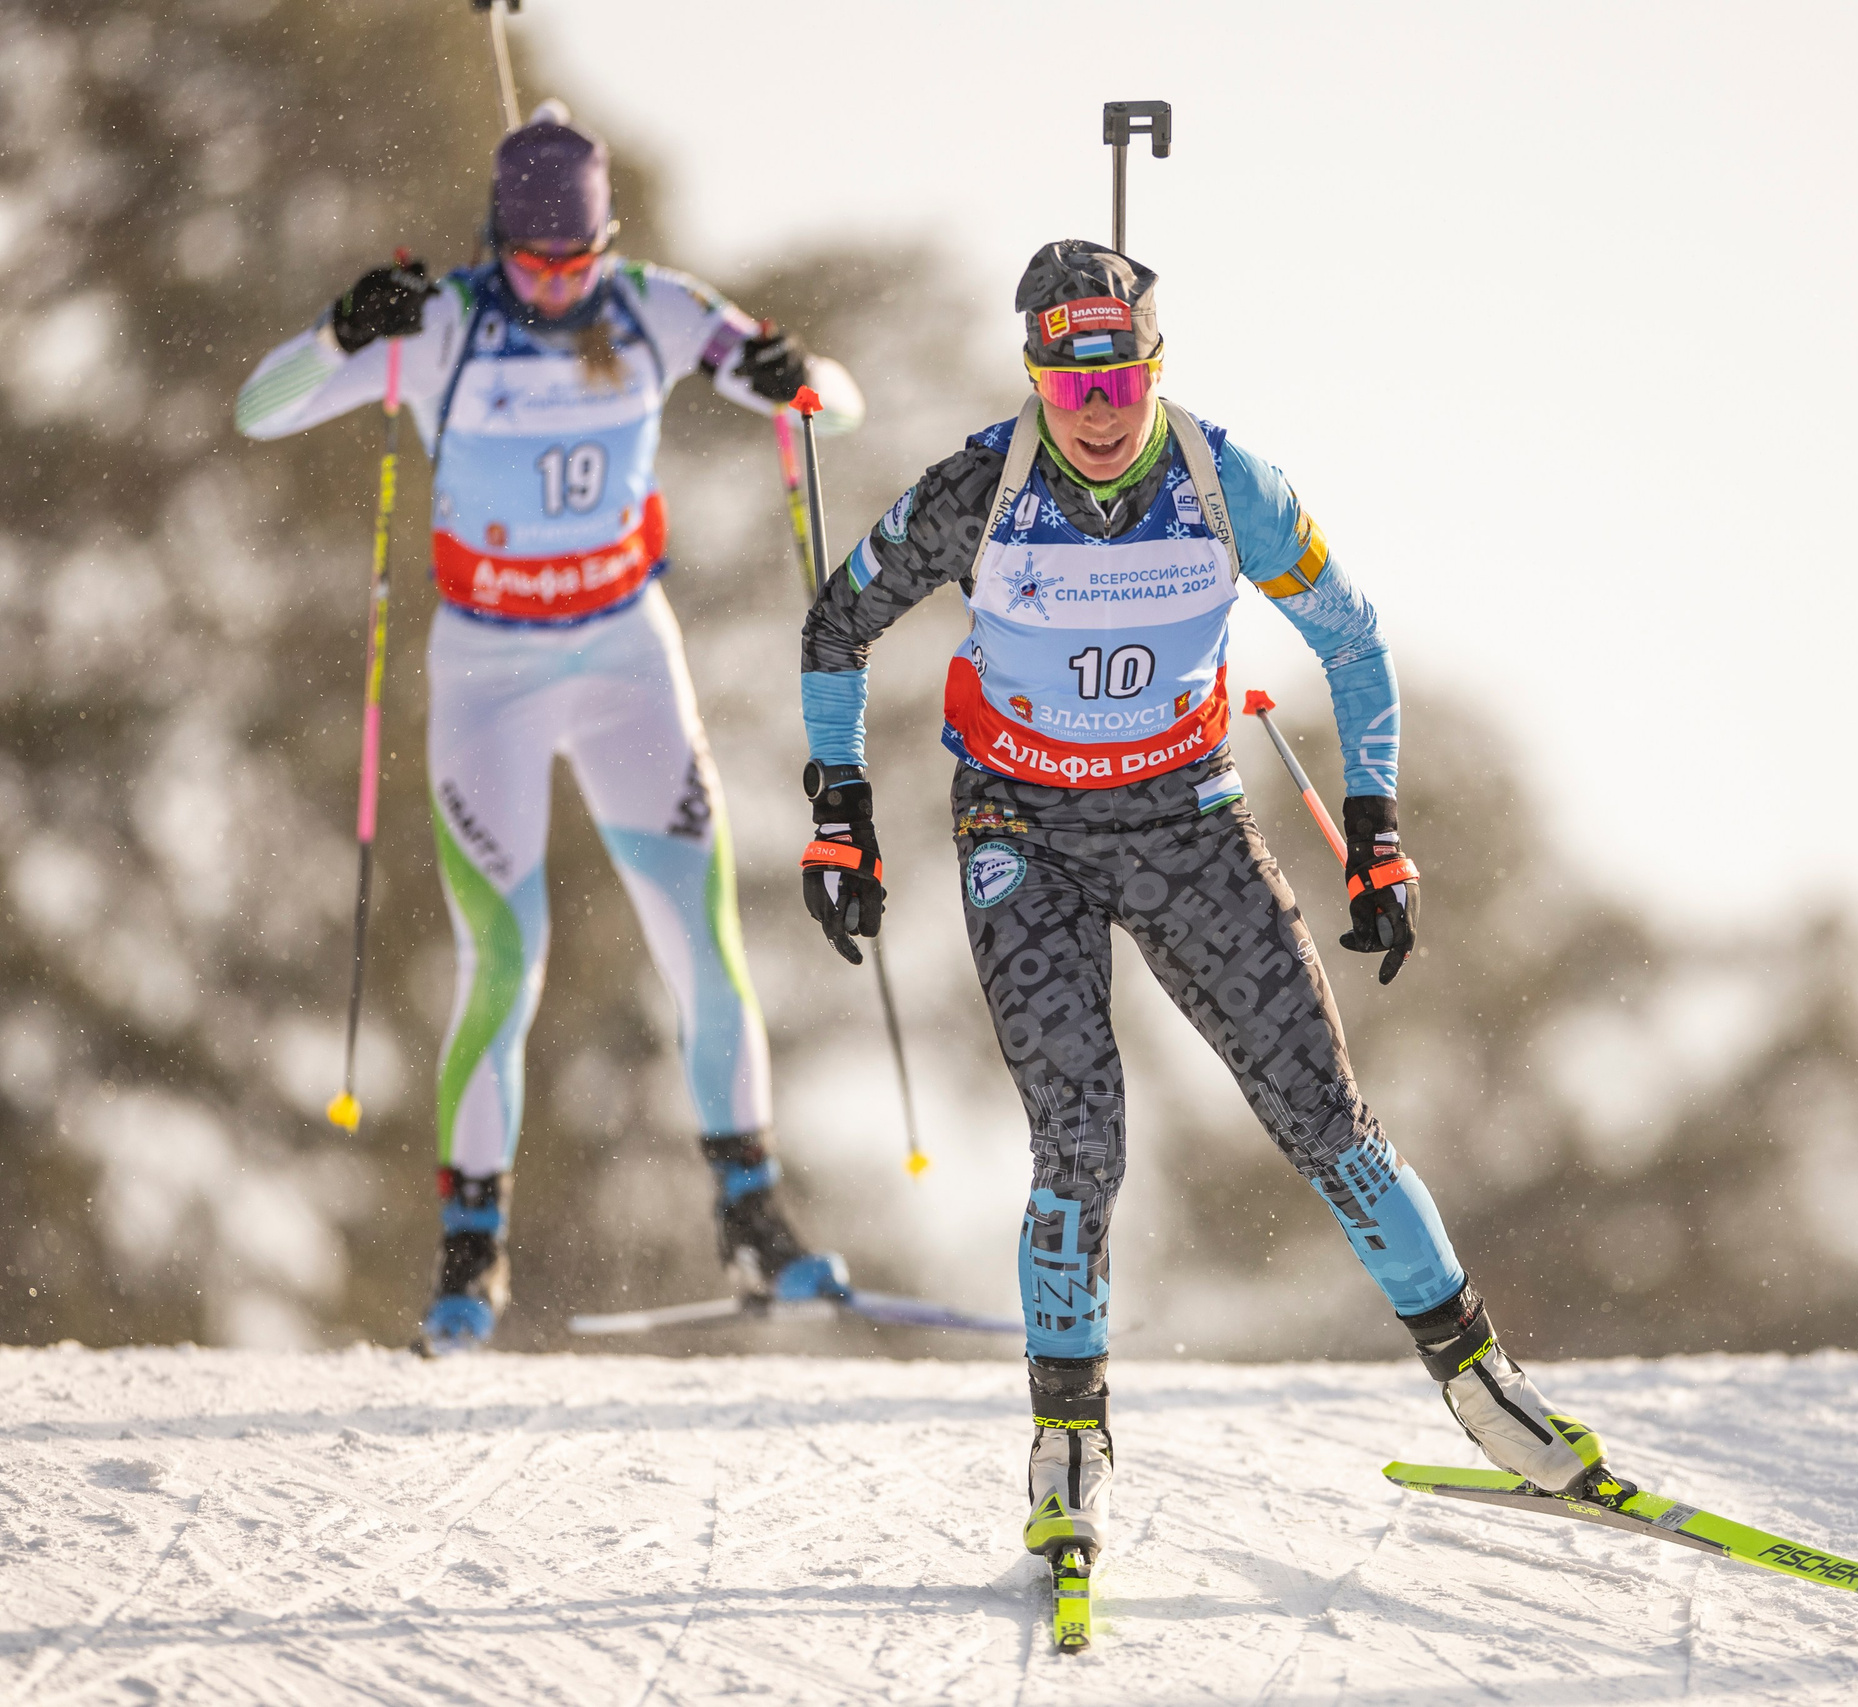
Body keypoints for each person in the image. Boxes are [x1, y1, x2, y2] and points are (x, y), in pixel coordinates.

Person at [796, 239, 1611, 1562]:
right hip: (1026, 833)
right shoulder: (974, 492)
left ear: (1155, 366)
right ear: (1034, 380)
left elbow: (1353, 637)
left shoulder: (1231, 486)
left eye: (1119, 376)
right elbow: (837, 623)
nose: (1098, 408)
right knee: (1083, 1143)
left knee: (1323, 1117)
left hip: (1188, 823)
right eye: (1070, 385)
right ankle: (1068, 1443)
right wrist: (840, 820)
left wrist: (1377, 828)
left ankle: (1482, 1384)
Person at [237, 102, 857, 1354]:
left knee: (703, 939)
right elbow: (261, 408)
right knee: (504, 957)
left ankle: (752, 1215)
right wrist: (340, 329)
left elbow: (831, 407)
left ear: (606, 242)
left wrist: (799, 379)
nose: (555, 286)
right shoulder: (445, 324)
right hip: (490, 676)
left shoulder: (656, 309)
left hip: (625, 657)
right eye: (533, 263)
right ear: (494, 241)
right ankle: (471, 1260)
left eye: (574, 263)